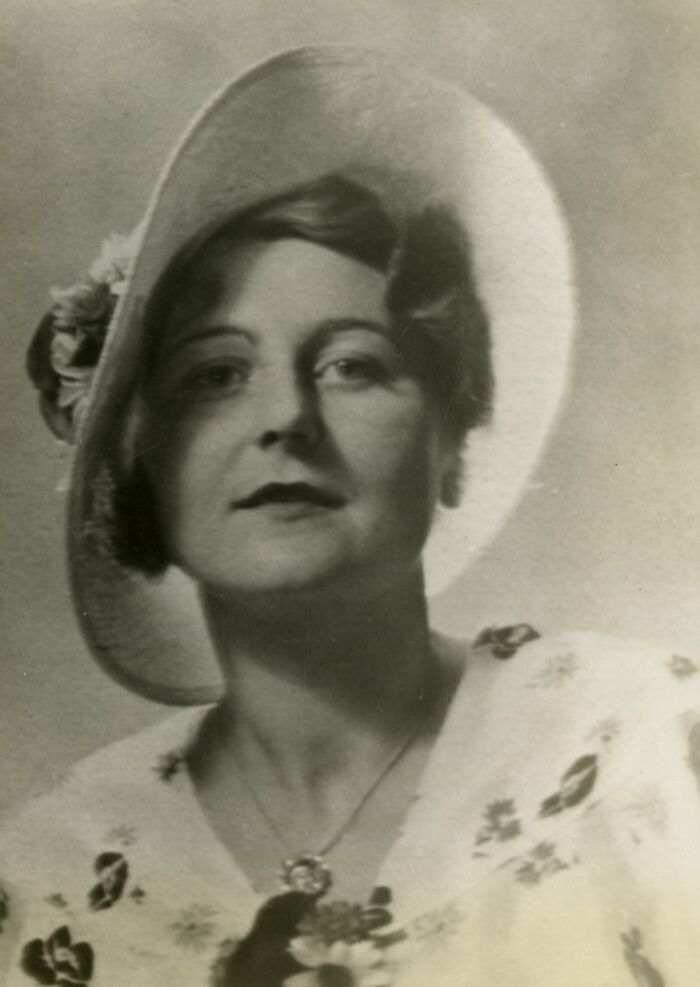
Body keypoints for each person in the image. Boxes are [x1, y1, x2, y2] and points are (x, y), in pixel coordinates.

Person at [2, 46, 699, 987]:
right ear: (142, 463)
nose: (286, 416)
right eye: (216, 375)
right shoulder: (56, 882)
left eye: (352, 364)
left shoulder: (647, 745)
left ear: (448, 435)